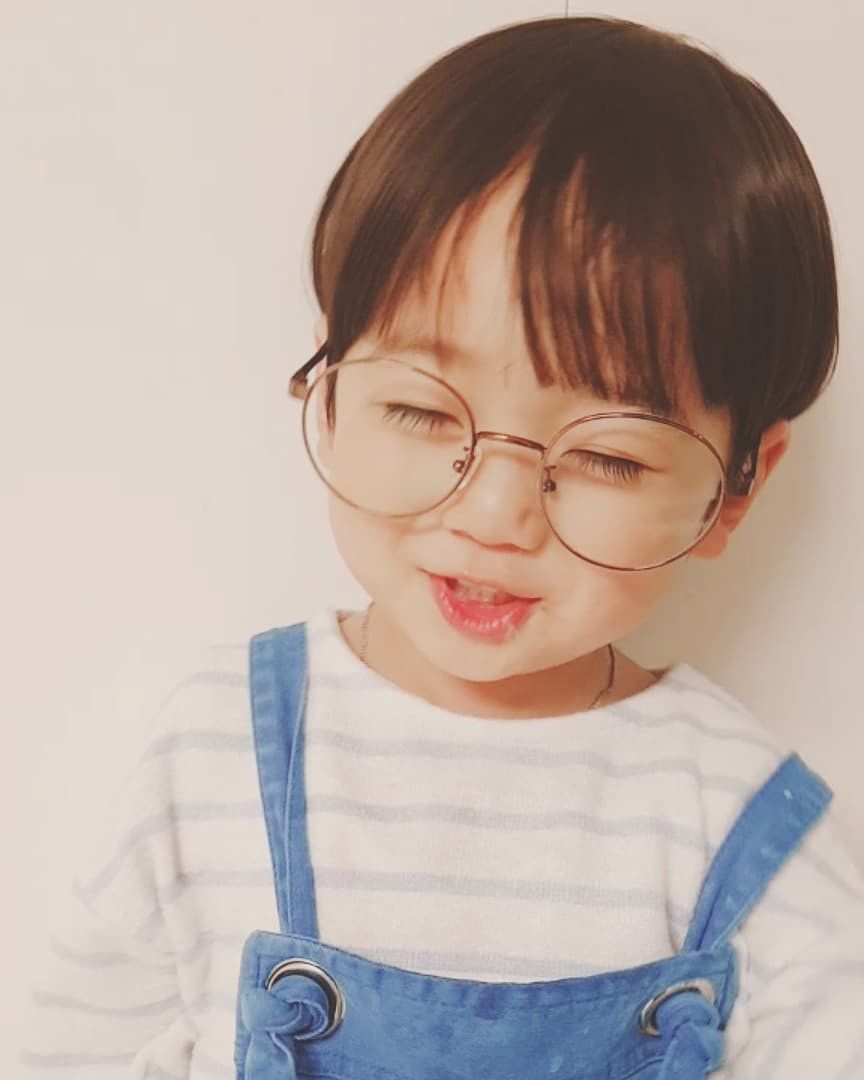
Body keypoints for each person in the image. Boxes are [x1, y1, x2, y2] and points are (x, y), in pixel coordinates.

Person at [19, 14, 864, 1080]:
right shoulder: (215, 749)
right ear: (331, 393)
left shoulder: (741, 817)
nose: (495, 513)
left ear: (738, 487)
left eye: (609, 457)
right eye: (421, 412)